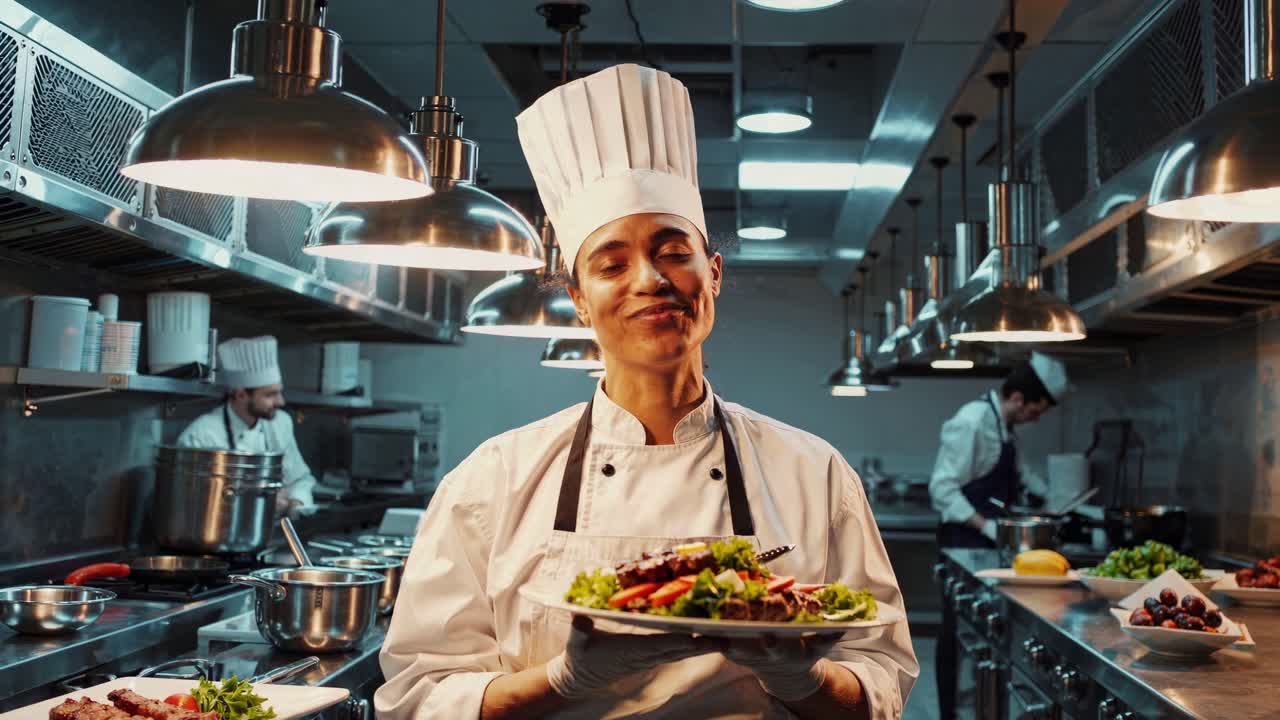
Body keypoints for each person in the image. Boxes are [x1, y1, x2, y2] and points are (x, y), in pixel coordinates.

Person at [376, 64, 917, 720]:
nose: (650, 279)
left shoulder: (815, 474)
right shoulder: (492, 482)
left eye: (673, 252)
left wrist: (803, 680)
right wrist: (564, 680)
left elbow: (882, 679)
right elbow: (417, 697)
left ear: (711, 274)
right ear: (578, 300)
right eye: (611, 264)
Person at [928, 351, 1068, 720]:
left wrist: (1053, 502)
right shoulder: (972, 422)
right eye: (1035, 411)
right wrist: (985, 525)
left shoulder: (1006, 429)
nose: (1035, 419)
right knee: (955, 633)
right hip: (963, 543)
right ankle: (948, 713)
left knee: (985, 636)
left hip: (990, 546)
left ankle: (981, 705)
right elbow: (942, 488)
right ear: (1018, 398)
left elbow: (1020, 476)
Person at [176, 336, 316, 515]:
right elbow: (190, 502)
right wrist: (259, 503)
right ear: (241, 395)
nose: (280, 401)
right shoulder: (201, 436)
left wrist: (293, 502)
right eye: (270, 395)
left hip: (272, 532)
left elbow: (300, 479)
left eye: (279, 392)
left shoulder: (280, 423)